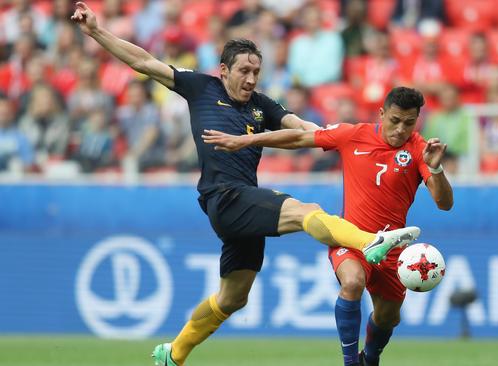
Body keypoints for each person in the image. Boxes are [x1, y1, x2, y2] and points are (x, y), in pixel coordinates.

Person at [70, 3, 419, 366]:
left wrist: (344, 139)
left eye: (256, 71)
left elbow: (300, 126)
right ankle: (370, 242)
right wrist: (96, 32)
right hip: (225, 197)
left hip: (242, 205)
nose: (251, 79)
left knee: (233, 298)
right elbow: (144, 62)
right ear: (223, 71)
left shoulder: (260, 105)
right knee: (307, 212)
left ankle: (172, 354)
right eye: (244, 71)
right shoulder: (200, 87)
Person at [202, 86, 453, 366]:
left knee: (388, 318)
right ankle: (350, 362)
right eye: (394, 121)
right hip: (351, 240)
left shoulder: (420, 149)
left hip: (394, 249)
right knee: (353, 282)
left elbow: (444, 203)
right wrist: (245, 141)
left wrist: (435, 169)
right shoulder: (353, 134)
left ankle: (370, 358)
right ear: (381, 114)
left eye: (409, 123)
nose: (400, 130)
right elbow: (298, 138)